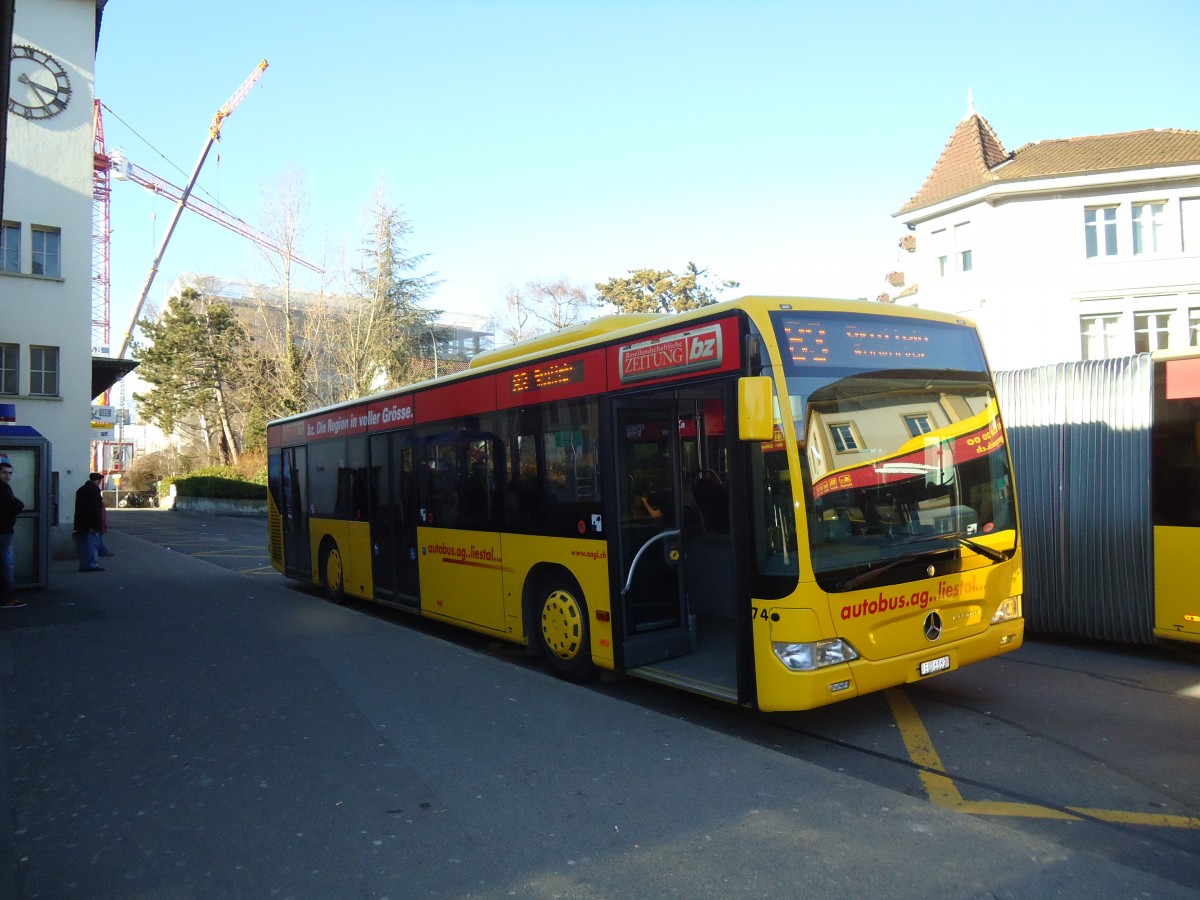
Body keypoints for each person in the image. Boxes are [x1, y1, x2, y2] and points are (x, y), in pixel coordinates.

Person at [0, 459, 27, 608]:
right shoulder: (3, 489)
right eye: (4, 473)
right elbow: (14, 505)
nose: (7, 476)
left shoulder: (5, 488)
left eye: (10, 473)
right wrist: (18, 505)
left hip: (4, 530)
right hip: (3, 531)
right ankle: (7, 598)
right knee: (6, 565)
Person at [73, 472, 106, 573]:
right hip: (90, 523)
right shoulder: (94, 491)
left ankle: (84, 565)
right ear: (98, 481)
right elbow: (95, 509)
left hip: (81, 522)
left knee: (84, 545)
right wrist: (95, 524)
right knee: (92, 544)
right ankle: (91, 565)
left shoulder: (81, 490)